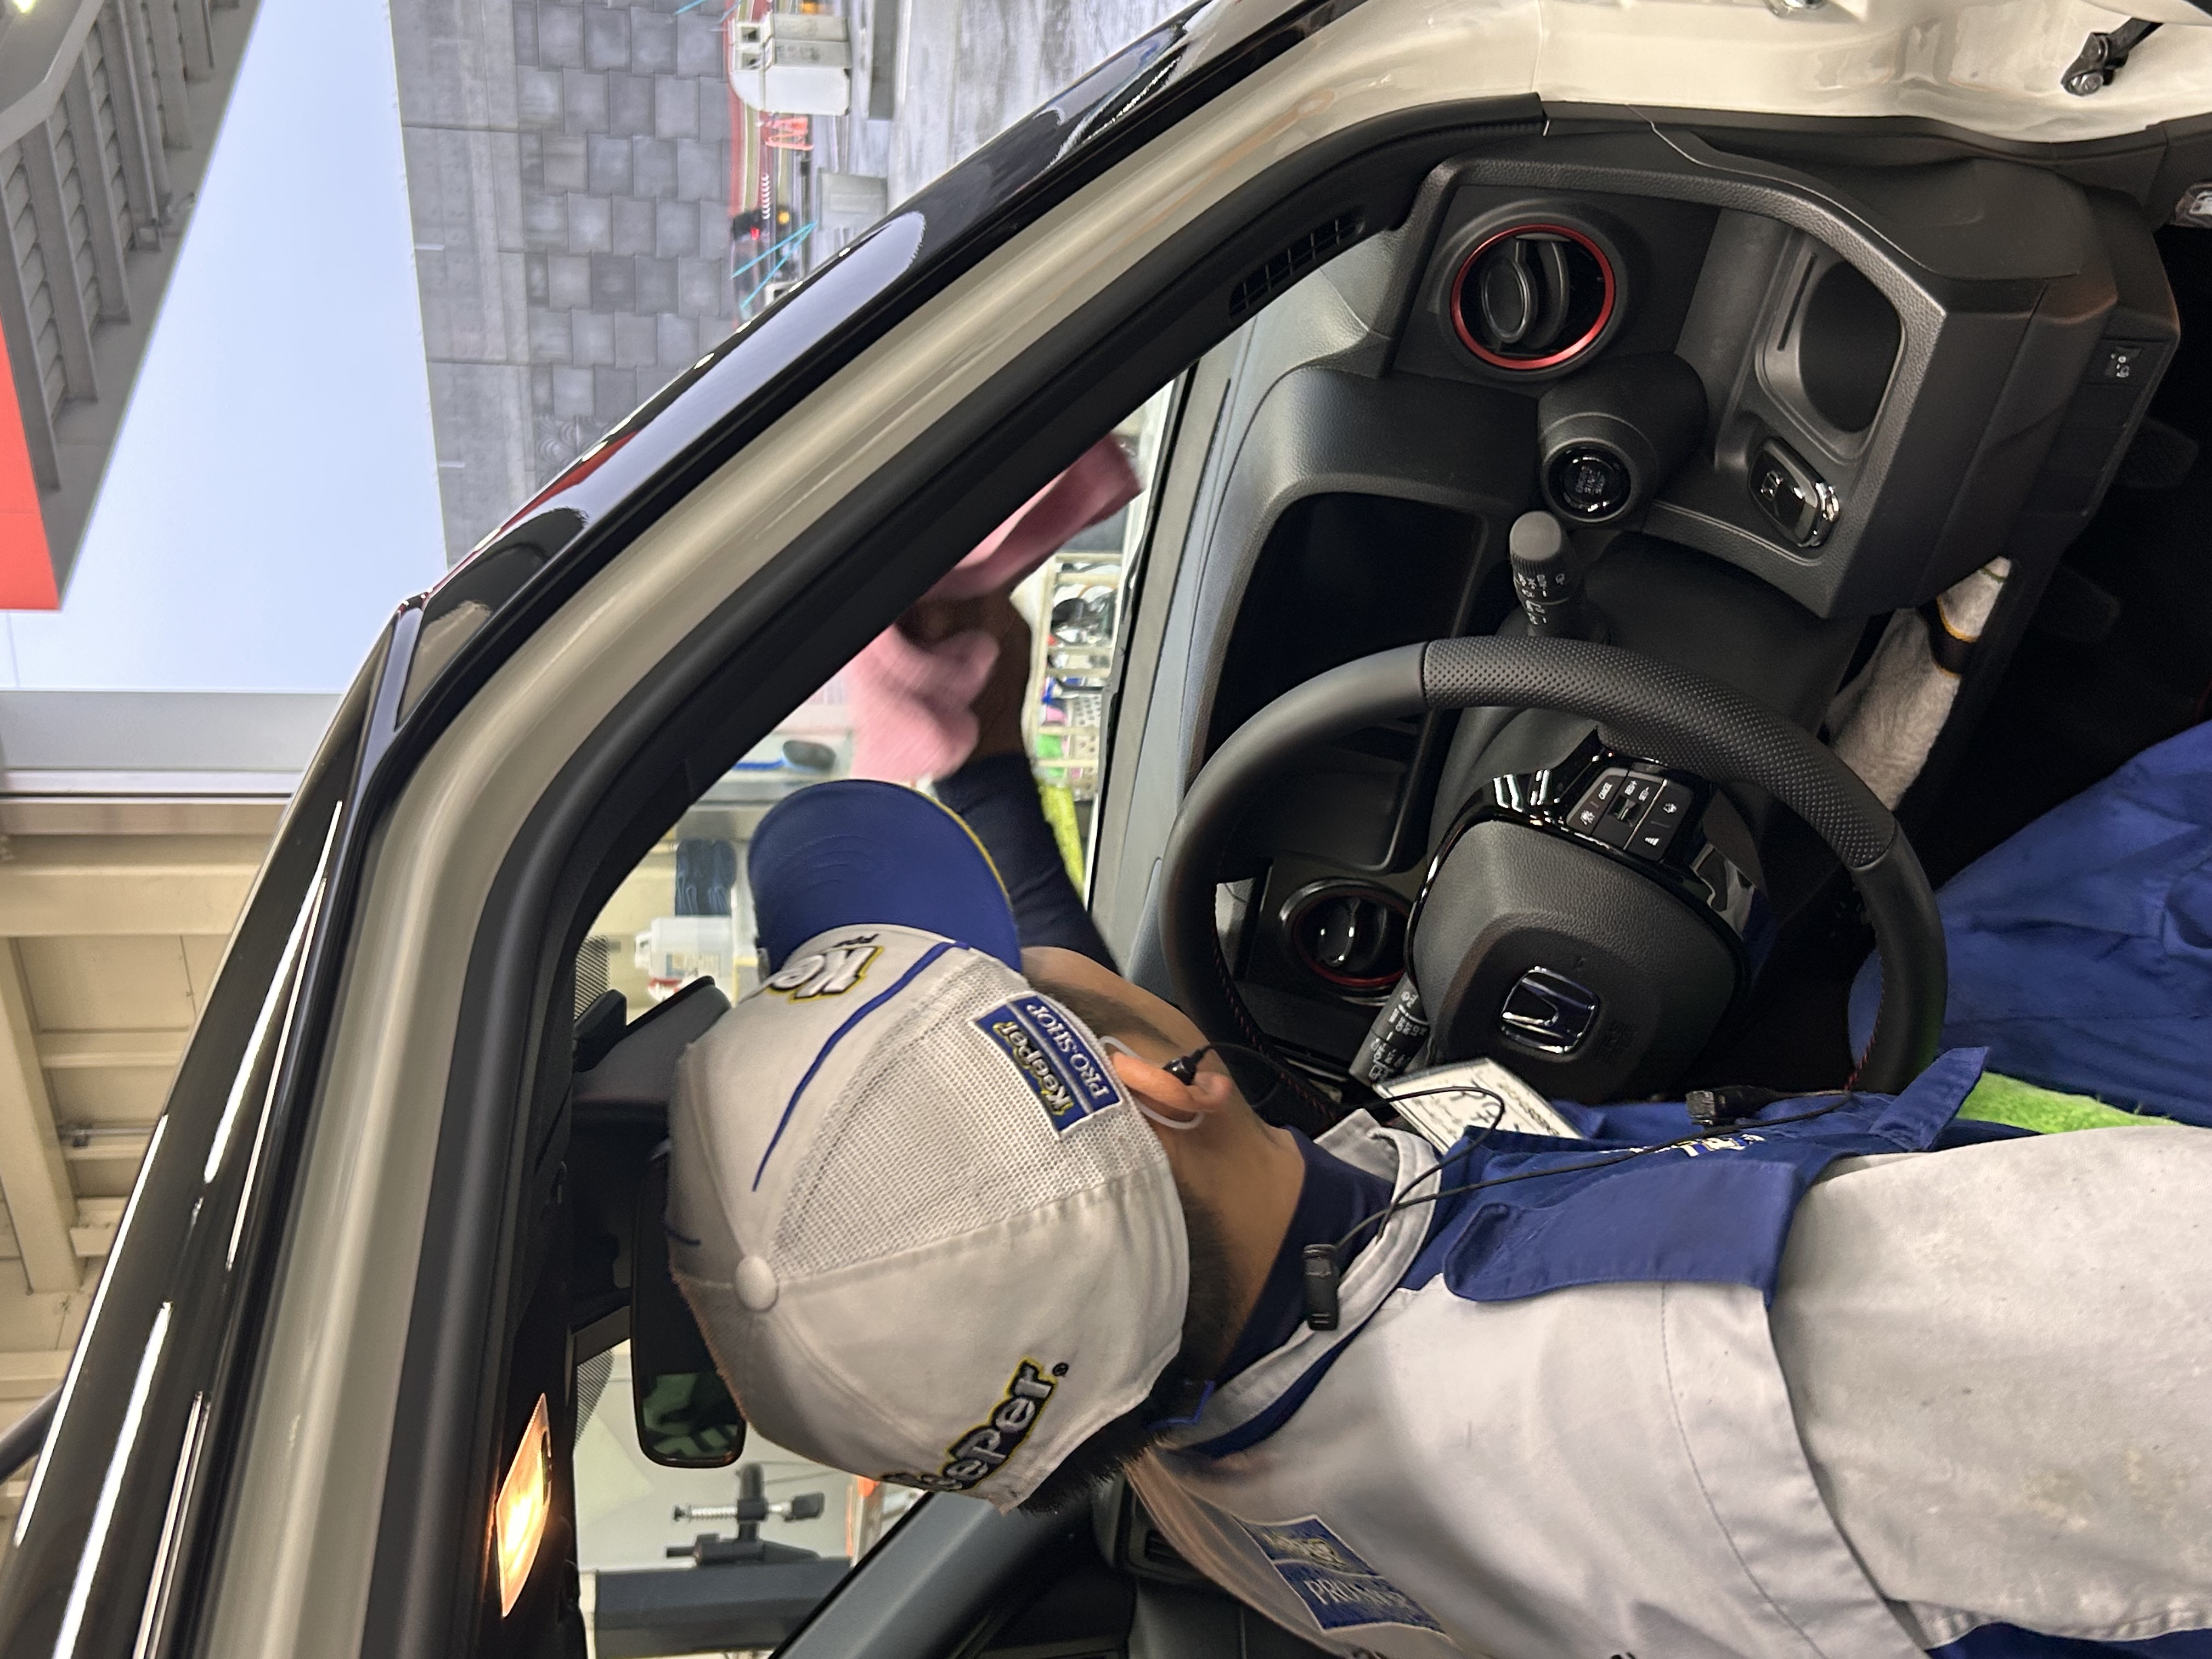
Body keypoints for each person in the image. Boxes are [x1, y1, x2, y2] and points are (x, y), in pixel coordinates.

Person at [668, 758, 2210, 1658]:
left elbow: (1077, 1115)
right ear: (1157, 1079)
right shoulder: (1732, 1341)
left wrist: (978, 753)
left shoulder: (1198, 1446)